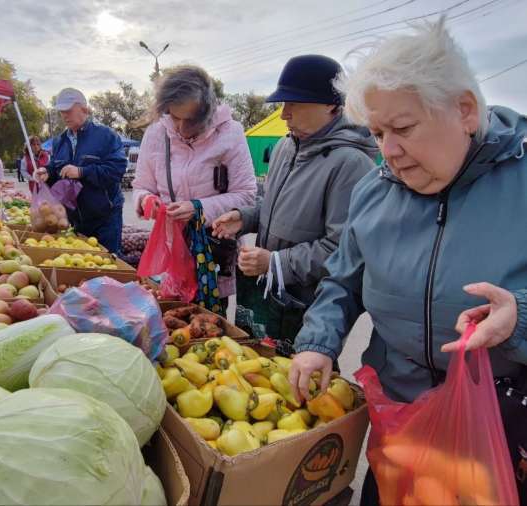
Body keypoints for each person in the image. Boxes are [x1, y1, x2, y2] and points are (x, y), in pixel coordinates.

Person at [285, 20, 527, 504]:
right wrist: (318, 343)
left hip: (501, 421)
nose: (389, 151)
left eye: (403, 128)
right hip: (399, 413)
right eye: (376, 133)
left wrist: (519, 315)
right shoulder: (373, 192)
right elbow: (342, 283)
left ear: (464, 110)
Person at [212, 55, 377, 349]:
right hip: (265, 291)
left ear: (331, 104)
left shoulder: (351, 163)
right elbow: (272, 205)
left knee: (295, 385)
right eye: (282, 104)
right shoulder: (285, 147)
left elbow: (342, 251)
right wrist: (245, 217)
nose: (284, 114)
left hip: (307, 307)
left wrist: (276, 262)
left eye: (294, 104)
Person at [132, 65, 257, 305]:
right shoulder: (156, 134)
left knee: (208, 329)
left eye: (188, 120)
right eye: (173, 116)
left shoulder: (230, 133)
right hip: (169, 253)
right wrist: (146, 201)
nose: (179, 127)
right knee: (166, 317)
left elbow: (246, 196)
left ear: (206, 111)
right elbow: (141, 186)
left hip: (211, 253)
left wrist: (198, 208)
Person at [35, 88, 127, 253]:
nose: (64, 115)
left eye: (68, 110)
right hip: (77, 219)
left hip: (105, 218)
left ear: (83, 109)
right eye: (62, 111)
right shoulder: (60, 141)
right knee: (84, 263)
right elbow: (57, 170)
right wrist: (47, 172)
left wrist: (82, 172)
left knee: (109, 263)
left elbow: (117, 170)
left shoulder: (106, 136)